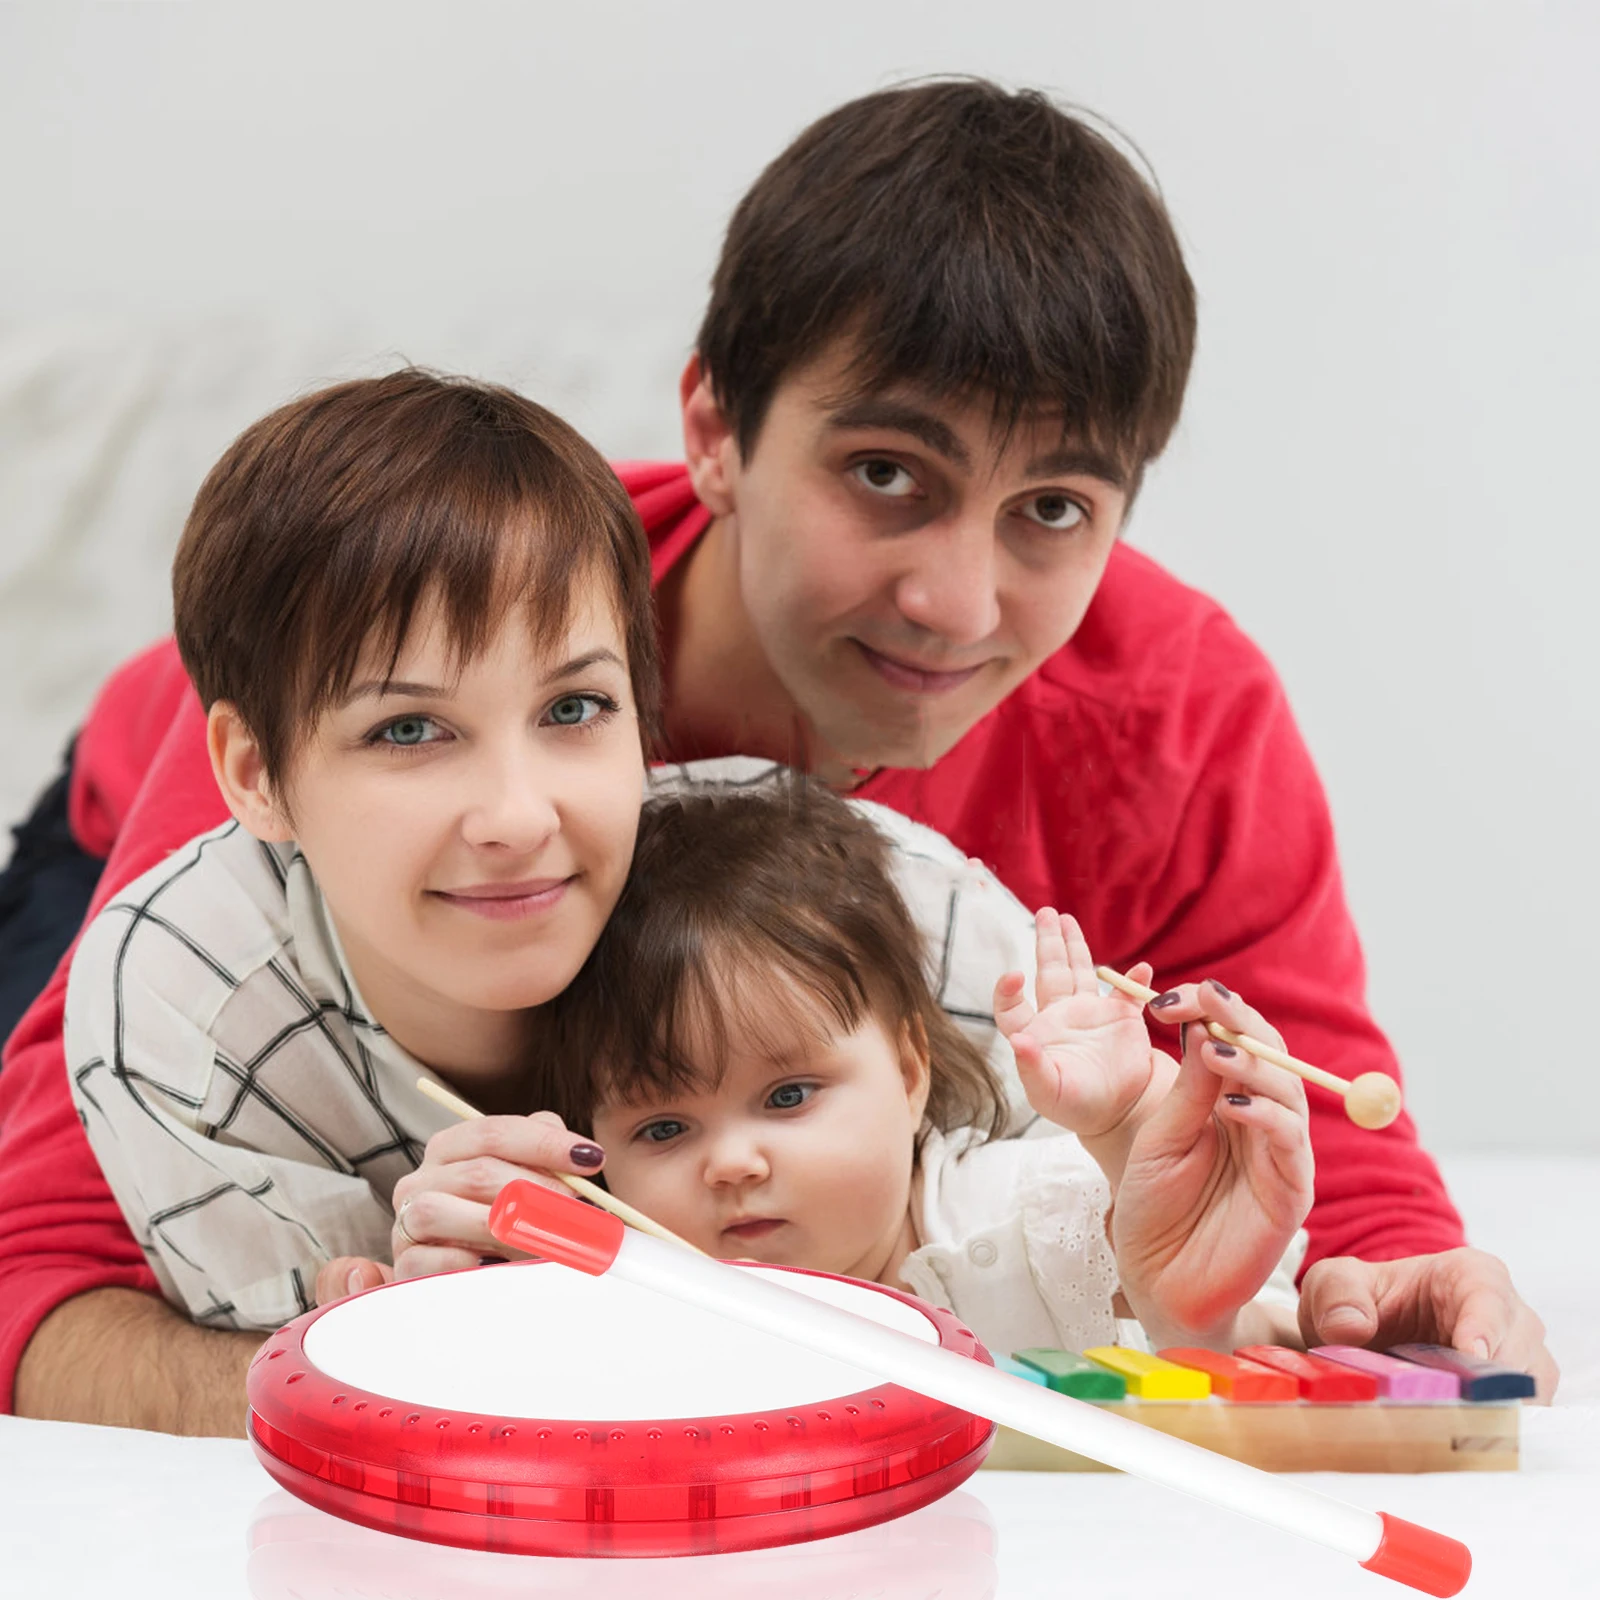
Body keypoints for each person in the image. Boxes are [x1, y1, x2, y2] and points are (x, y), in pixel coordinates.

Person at [0, 80, 1555, 1427]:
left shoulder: (1178, 718)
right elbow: (35, 1277)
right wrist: (378, 1377)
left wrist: (1385, 1305)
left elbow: (1321, 1151)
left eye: (1056, 510)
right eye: (887, 473)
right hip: (123, 822)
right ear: (716, 428)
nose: (956, 600)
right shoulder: (316, 791)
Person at [511, 779, 1314, 1362]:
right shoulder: (627, 1315)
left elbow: (1192, 1269)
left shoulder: (1015, 1218)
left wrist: (1128, 1124)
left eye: (788, 1096)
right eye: (662, 1128)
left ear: (906, 1071)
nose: (730, 1164)